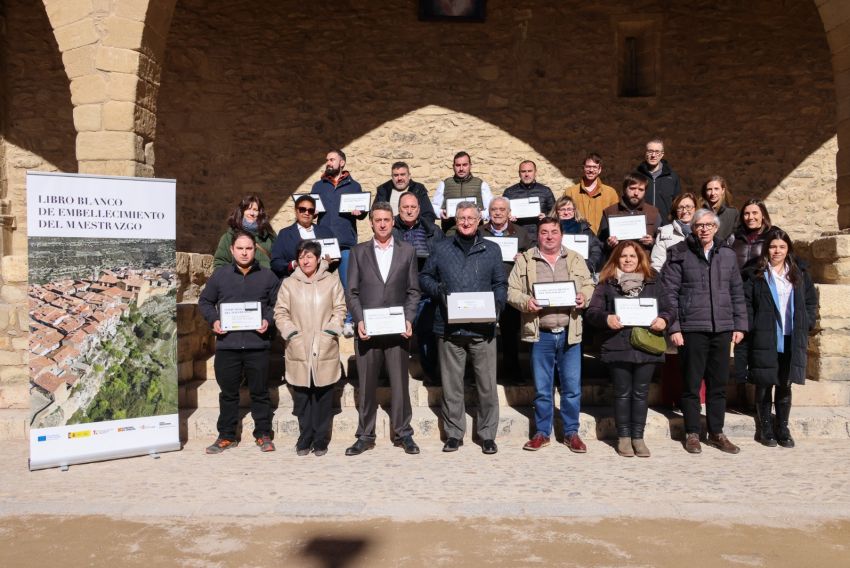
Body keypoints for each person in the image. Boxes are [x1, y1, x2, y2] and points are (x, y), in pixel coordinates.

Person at [419, 201, 507, 454]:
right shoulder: (441, 247)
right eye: (461, 218)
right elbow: (425, 277)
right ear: (455, 221)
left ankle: (487, 435)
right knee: (452, 385)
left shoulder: (491, 249)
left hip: (484, 329)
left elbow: (500, 282)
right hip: (449, 328)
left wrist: (498, 304)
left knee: (487, 386)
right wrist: (439, 291)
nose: (466, 222)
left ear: (480, 220)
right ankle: (454, 433)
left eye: (471, 218)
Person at [661, 208, 748, 454]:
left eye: (709, 225)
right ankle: (692, 433)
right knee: (690, 384)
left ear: (716, 228)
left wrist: (740, 324)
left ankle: (717, 432)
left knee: (718, 384)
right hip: (691, 328)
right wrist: (674, 327)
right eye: (699, 225)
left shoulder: (727, 255)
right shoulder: (678, 253)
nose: (704, 229)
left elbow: (736, 292)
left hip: (721, 328)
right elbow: (669, 294)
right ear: (692, 227)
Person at [507, 217, 595, 453]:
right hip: (541, 333)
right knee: (543, 388)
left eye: (553, 232)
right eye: (544, 232)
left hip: (570, 333)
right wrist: (527, 302)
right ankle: (542, 433)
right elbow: (511, 290)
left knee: (572, 388)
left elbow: (589, 284)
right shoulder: (526, 260)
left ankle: (571, 433)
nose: (549, 236)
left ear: (561, 234)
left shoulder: (575, 259)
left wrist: (583, 296)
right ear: (538, 235)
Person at [345, 203, 422, 456]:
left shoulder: (407, 251)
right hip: (368, 329)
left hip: (398, 330)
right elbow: (352, 292)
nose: (382, 224)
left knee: (400, 384)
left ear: (393, 221)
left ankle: (403, 433)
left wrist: (409, 318)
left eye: (386, 219)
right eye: (377, 219)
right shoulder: (358, 252)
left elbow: (413, 291)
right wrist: (358, 320)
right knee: (366, 385)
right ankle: (365, 435)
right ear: (371, 222)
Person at [586, 241, 672, 457]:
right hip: (618, 345)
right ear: (616, 259)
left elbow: (669, 308)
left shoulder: (653, 281)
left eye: (632, 256)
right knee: (623, 393)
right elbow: (593, 312)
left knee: (641, 393)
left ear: (640, 258)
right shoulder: (607, 283)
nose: (628, 260)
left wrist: (664, 319)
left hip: (646, 345)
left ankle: (638, 437)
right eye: (623, 256)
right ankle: (624, 437)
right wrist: (607, 318)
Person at [199, 231, 280, 454]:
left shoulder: (268, 277)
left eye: (249, 248)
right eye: (240, 248)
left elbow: (278, 306)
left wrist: (268, 320)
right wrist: (214, 321)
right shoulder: (220, 276)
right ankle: (226, 436)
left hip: (257, 345)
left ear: (255, 250)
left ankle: (263, 434)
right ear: (232, 250)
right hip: (228, 345)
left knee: (260, 392)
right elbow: (205, 302)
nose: (245, 252)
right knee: (228, 394)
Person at [741, 229, 817, 448]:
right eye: (773, 247)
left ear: (788, 249)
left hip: (791, 336)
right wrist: (751, 326)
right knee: (765, 383)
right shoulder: (757, 273)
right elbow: (747, 302)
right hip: (766, 335)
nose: (777, 251)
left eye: (782, 247)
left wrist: (808, 322)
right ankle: (765, 427)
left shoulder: (798, 273)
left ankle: (782, 427)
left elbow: (811, 301)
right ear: (767, 249)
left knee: (785, 383)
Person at [274, 240, 346, 456]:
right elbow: (280, 312)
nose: (305, 260)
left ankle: (321, 438)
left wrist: (331, 331)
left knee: (323, 395)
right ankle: (305, 435)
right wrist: (291, 334)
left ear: (318, 259)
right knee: (303, 395)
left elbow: (340, 309)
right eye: (302, 256)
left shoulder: (332, 281)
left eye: (310, 256)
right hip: (299, 346)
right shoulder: (288, 284)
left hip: (324, 346)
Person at [312, 149, 368, 337]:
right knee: (321, 283)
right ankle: (322, 320)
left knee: (348, 284)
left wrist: (360, 212)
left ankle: (350, 321)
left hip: (345, 243)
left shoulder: (355, 186)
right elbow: (312, 210)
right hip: (323, 243)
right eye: (327, 159)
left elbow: (362, 212)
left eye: (332, 159)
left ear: (342, 163)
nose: (328, 162)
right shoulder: (318, 186)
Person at [392, 192, 444, 380]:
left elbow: (443, 257)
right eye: (405, 207)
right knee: (395, 336)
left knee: (427, 334)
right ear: (399, 209)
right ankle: (394, 377)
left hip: (426, 290)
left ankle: (430, 374)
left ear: (419, 209)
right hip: (399, 291)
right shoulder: (390, 229)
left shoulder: (433, 230)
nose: (409, 210)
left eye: (413, 207)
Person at [481, 196, 533, 382]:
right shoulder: (480, 232)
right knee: (484, 333)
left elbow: (531, 256)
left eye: (502, 209)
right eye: (494, 209)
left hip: (510, 289)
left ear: (509, 213)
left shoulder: (520, 233)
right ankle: (483, 376)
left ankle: (512, 372)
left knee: (510, 334)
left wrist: (523, 257)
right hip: (485, 289)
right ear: (489, 212)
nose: (498, 213)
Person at [270, 194, 335, 278]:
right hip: (294, 281)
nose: (306, 213)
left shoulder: (325, 232)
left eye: (310, 210)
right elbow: (275, 262)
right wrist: (293, 265)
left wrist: (328, 263)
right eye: (302, 209)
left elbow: (336, 257)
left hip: (320, 281)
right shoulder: (284, 234)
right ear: (296, 211)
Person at [598, 173, 662, 254]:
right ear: (625, 189)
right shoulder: (609, 211)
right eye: (632, 188)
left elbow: (662, 242)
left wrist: (652, 242)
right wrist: (608, 244)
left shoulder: (653, 212)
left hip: (644, 263)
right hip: (617, 262)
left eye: (641, 190)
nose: (636, 193)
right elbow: (599, 243)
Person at [431, 151, 493, 231]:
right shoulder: (444, 184)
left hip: (474, 233)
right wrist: (441, 213)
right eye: (458, 165)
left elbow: (491, 208)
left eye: (464, 165)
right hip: (451, 232)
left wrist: (481, 214)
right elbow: (434, 206)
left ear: (470, 166)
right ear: (453, 166)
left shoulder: (481, 184)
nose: (461, 168)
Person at [213, 194, 276, 269]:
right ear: (242, 211)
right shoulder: (229, 237)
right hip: (238, 280)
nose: (251, 213)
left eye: (255, 210)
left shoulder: (270, 236)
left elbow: (278, 261)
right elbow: (220, 263)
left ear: (260, 213)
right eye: (248, 209)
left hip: (266, 279)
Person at [564, 152, 619, 235]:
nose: (591, 170)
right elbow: (564, 217)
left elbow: (616, 218)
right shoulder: (570, 192)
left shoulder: (610, 193)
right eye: (588, 167)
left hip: (602, 240)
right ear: (583, 168)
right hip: (578, 238)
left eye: (595, 167)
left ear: (600, 169)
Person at [502, 160, 556, 243]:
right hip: (516, 236)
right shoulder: (509, 192)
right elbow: (502, 213)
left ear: (535, 172)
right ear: (519, 173)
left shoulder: (545, 191)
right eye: (523, 171)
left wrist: (546, 217)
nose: (527, 174)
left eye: (530, 171)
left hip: (540, 237)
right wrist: (508, 217)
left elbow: (555, 213)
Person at [552, 195, 604, 275]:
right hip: (557, 271)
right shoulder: (550, 228)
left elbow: (596, 250)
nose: (566, 212)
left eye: (569, 209)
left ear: (574, 211)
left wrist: (588, 265)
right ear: (556, 211)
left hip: (582, 271)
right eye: (562, 209)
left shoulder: (584, 229)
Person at [635, 139, 681, 223]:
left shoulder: (672, 177)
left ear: (662, 154)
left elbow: (677, 203)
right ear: (645, 153)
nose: (653, 155)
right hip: (642, 225)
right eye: (650, 151)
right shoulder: (636, 176)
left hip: (666, 226)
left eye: (657, 152)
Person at [650, 192, 698, 272]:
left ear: (695, 208)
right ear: (675, 211)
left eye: (688, 207)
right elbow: (657, 263)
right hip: (671, 280)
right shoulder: (665, 232)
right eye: (680, 207)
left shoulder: (703, 230)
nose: (684, 211)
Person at [731, 199, 778, 270]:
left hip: (763, 279)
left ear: (763, 215)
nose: (750, 217)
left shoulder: (774, 234)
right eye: (746, 214)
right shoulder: (734, 236)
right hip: (738, 280)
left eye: (755, 213)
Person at [700, 175, 737, 242]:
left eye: (716, 189)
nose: (713, 193)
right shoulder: (699, 212)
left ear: (722, 190)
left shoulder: (733, 213)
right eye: (709, 189)